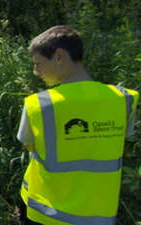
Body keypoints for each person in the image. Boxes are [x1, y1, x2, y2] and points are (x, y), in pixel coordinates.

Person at [17, 25, 139, 225]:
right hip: (100, 215)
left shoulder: (38, 104)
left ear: (59, 56)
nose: (35, 71)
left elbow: (30, 147)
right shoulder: (124, 99)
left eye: (38, 63)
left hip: (45, 213)